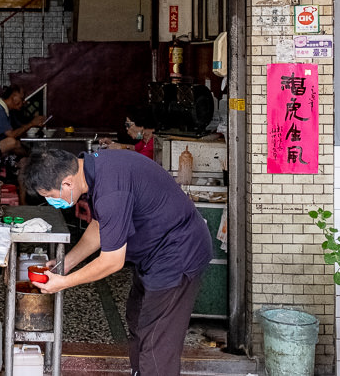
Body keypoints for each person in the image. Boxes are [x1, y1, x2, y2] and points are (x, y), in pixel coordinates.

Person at [27, 147, 212, 376]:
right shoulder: (96, 169)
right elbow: (101, 226)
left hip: (178, 253)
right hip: (154, 254)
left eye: (52, 196)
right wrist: (65, 264)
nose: (54, 202)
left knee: (156, 339)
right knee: (137, 320)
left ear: (67, 183)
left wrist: (63, 282)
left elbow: (112, 261)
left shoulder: (110, 191)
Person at [0, 84, 45, 167]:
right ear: (14, 97)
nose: (24, 102)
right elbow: (12, 134)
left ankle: (34, 158)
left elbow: (19, 130)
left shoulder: (6, 111)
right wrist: (32, 124)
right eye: (22, 98)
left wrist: (33, 125)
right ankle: (35, 158)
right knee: (12, 142)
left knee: (19, 152)